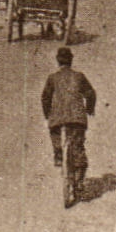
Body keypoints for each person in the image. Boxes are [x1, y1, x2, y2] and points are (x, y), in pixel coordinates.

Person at [41, 46, 97, 203]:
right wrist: (89, 109)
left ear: (58, 61)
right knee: (78, 148)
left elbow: (45, 97)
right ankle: (79, 183)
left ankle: (58, 154)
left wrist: (47, 115)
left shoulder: (52, 78)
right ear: (71, 61)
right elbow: (90, 93)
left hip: (57, 119)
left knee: (56, 136)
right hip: (77, 118)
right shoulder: (79, 76)